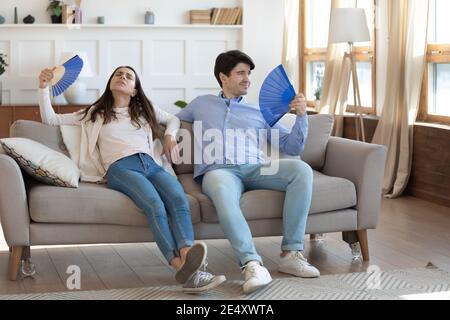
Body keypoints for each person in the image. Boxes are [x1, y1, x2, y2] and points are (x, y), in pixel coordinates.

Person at [37, 65, 226, 293]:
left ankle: (188, 258)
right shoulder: (94, 113)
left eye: (128, 76)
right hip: (121, 167)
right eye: (118, 74)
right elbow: (51, 120)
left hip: (151, 165)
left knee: (179, 200)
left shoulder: (144, 111)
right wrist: (43, 88)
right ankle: (179, 266)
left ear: (135, 90)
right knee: (154, 204)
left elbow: (173, 120)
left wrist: (169, 136)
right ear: (110, 82)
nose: (122, 77)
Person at [176, 50, 320, 294]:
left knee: (301, 170)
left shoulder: (259, 111)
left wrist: (301, 116)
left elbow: (292, 146)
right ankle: (251, 264)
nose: (247, 79)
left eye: (249, 73)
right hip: (219, 170)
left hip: (256, 167)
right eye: (241, 73)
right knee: (222, 192)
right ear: (223, 77)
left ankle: (291, 254)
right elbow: (167, 121)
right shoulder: (201, 104)